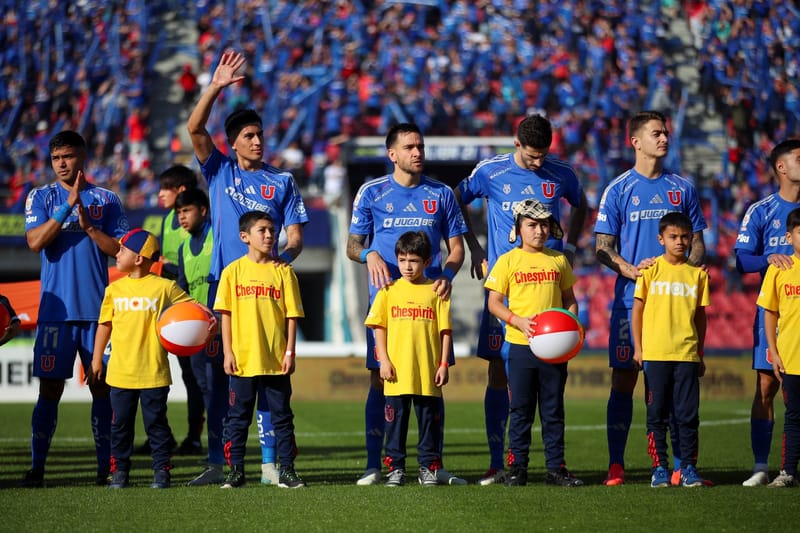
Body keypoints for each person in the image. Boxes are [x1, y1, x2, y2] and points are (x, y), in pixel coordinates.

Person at [187, 50, 309, 485]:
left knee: (272, 384)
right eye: (250, 136)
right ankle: (222, 464)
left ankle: (273, 466)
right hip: (226, 291)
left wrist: (277, 264)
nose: (258, 141)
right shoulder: (218, 170)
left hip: (268, 294)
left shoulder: (283, 182)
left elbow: (295, 238)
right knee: (223, 383)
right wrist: (216, 86)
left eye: (260, 135)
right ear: (234, 142)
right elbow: (195, 128)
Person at [454, 114, 587, 485]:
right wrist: (475, 246)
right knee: (499, 372)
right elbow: (455, 198)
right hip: (507, 288)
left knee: (550, 383)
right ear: (516, 144)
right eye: (532, 156)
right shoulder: (490, 172)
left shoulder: (561, 173)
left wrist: (571, 246)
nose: (539, 163)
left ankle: (553, 465)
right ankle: (501, 462)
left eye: (544, 155)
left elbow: (582, 203)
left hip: (548, 289)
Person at [347, 122, 468, 486]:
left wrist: (446, 275)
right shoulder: (371, 192)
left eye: (421, 146)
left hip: (428, 304)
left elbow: (457, 248)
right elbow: (353, 245)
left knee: (433, 381)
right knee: (381, 380)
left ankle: (434, 465)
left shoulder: (442, 193)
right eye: (410, 147)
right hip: (388, 305)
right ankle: (376, 464)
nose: (418, 152)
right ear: (392, 154)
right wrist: (368, 253)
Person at [595, 110, 707, 486]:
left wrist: (684, 272)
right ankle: (617, 463)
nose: (664, 139)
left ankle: (680, 467)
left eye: (666, 133)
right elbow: (602, 247)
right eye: (657, 133)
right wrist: (631, 270)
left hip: (675, 305)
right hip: (632, 303)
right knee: (624, 380)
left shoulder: (683, 188)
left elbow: (699, 246)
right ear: (636, 141)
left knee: (676, 389)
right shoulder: (619, 188)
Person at [20, 130, 129, 488]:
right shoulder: (41, 196)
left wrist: (89, 227)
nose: (62, 163)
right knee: (50, 390)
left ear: (83, 157)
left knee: (102, 388)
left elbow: (120, 251)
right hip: (55, 314)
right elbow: (35, 242)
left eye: (67, 156)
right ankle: (37, 468)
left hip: (98, 313)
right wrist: (68, 205)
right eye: (56, 159)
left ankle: (105, 469)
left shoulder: (107, 199)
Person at [87, 229, 215, 489]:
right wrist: (96, 359)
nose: (117, 253)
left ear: (139, 258)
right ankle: (120, 472)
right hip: (120, 373)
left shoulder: (164, 286)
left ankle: (161, 471)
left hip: (154, 372)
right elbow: (104, 325)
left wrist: (209, 319)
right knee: (120, 426)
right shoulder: (114, 289)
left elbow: (193, 306)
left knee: (156, 425)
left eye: (122, 249)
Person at [484, 199, 583, 487]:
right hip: (520, 346)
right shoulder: (508, 261)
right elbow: (494, 303)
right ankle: (517, 468)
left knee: (553, 410)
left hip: (554, 350)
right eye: (531, 225)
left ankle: (556, 468)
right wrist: (518, 321)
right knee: (521, 410)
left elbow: (570, 301)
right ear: (519, 228)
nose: (539, 230)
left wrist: (571, 325)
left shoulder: (558, 260)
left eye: (543, 225)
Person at [214, 211, 306, 489]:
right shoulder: (232, 272)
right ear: (245, 237)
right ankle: (236, 472)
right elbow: (225, 315)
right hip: (242, 359)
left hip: (276, 359)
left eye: (272, 230)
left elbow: (292, 316)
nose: (269, 235)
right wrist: (228, 352)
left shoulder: (284, 272)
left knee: (282, 418)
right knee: (237, 419)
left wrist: (289, 352)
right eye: (262, 230)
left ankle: (287, 470)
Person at [735, 139, 800, 486]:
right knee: (766, 386)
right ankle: (762, 465)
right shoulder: (761, 211)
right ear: (781, 167)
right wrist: (768, 258)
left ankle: (789, 467)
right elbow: (742, 259)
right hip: (778, 314)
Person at [365, 231, 452, 486]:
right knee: (395, 424)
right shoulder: (388, 290)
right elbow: (377, 327)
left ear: (427, 262)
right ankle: (395, 469)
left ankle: (428, 468)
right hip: (396, 374)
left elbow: (445, 331)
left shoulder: (437, 291)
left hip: (427, 373)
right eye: (402, 260)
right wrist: (383, 360)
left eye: (413, 260)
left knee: (428, 425)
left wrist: (444, 363)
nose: (407, 266)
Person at [631, 212, 709, 488]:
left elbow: (701, 316)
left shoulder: (697, 276)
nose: (679, 242)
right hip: (655, 354)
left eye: (685, 237)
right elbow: (637, 311)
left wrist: (699, 352)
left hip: (686, 354)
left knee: (688, 416)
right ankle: (659, 468)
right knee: (656, 416)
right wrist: (639, 348)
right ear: (660, 239)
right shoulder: (649, 271)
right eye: (673, 237)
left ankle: (688, 468)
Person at [135, 164, 204, 457]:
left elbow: (181, 266)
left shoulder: (200, 227)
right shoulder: (167, 221)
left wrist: (166, 268)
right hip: (168, 309)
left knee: (195, 379)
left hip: (194, 311)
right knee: (157, 373)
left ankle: (195, 437)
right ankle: (160, 435)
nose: (159, 194)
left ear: (182, 191)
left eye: (165, 189)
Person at [172, 189, 230, 486]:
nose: (182, 217)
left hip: (219, 327)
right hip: (195, 331)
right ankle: (217, 456)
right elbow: (182, 289)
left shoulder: (217, 238)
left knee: (222, 391)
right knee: (205, 391)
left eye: (187, 211)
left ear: (204, 211)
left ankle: (229, 456)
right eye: (179, 212)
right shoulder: (183, 247)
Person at [757, 207, 800, 488]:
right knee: (795, 416)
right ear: (789, 235)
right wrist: (774, 351)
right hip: (792, 358)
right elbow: (769, 312)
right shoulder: (780, 269)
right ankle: (788, 472)